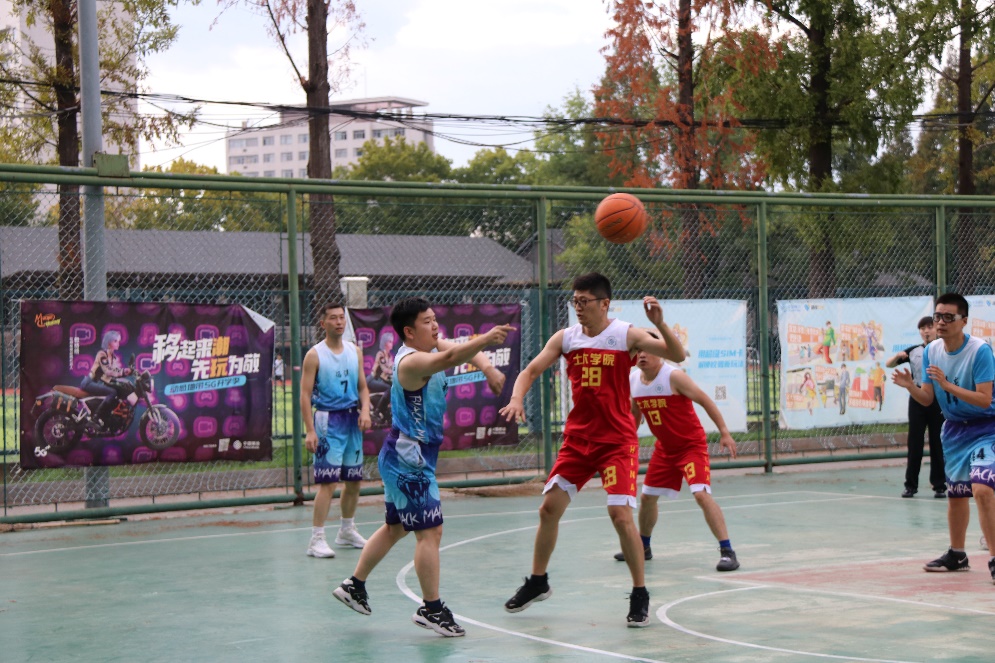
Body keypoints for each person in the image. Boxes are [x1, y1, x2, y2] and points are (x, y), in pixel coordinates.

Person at [498, 273, 686, 628]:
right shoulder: (566, 338)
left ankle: (640, 592)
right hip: (578, 441)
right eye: (575, 302)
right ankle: (538, 581)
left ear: (604, 304)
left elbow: (677, 354)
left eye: (584, 302)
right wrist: (517, 398)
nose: (578, 308)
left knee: (620, 515)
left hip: (616, 443)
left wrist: (660, 324)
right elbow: (531, 370)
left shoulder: (626, 335)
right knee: (548, 509)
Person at [333, 297, 512, 637]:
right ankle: (432, 609)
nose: (435, 325)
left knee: (395, 527)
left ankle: (354, 585)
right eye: (427, 321)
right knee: (430, 532)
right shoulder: (412, 362)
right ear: (409, 332)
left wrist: (488, 368)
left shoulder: (429, 346)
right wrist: (487, 339)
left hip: (406, 454)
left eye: (434, 318)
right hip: (409, 460)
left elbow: (457, 350)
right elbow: (450, 358)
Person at [611, 330, 740, 572]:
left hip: (690, 446)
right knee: (647, 497)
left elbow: (705, 400)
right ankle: (643, 547)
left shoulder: (673, 377)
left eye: (648, 350)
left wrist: (724, 432)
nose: (642, 355)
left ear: (660, 352)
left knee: (701, 494)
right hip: (665, 450)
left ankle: (727, 551)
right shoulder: (634, 380)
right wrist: (626, 438)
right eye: (638, 350)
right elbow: (635, 413)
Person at [891, 293, 995, 584]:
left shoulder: (979, 351)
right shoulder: (932, 351)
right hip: (955, 430)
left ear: (964, 321)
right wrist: (910, 386)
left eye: (949, 317)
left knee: (982, 489)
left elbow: (984, 399)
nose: (941, 322)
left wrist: (948, 385)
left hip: (986, 427)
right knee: (957, 494)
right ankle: (957, 555)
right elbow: (927, 398)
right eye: (938, 316)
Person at [301, 303, 372, 559]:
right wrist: (310, 430)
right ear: (323, 323)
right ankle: (316, 538)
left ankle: (346, 530)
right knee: (328, 482)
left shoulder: (355, 351)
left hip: (352, 419)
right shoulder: (314, 355)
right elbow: (304, 394)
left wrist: (365, 411)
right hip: (327, 421)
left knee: (353, 481)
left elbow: (363, 387)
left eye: (342, 317)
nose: (339, 322)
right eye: (333, 318)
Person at [886, 316, 946, 499]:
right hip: (918, 398)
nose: (926, 331)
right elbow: (889, 364)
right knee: (915, 443)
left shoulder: (944, 348)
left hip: (937, 399)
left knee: (938, 442)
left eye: (929, 327)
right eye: (922, 328)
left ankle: (939, 485)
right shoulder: (913, 351)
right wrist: (897, 357)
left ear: (936, 329)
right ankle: (910, 485)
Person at [81, 330, 132, 426]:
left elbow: (115, 371)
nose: (118, 343)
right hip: (90, 382)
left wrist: (125, 372)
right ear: (109, 342)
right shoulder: (102, 354)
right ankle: (96, 417)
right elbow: (108, 371)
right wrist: (123, 372)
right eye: (115, 341)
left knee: (117, 391)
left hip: (98, 383)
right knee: (112, 392)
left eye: (118, 341)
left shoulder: (113, 357)